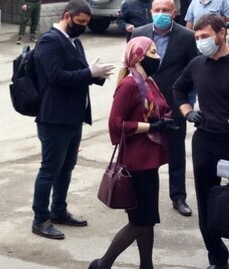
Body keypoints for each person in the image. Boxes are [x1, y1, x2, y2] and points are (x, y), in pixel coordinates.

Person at [89, 36, 177, 269]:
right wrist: (151, 127)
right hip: (136, 162)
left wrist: (165, 120)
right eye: (153, 53)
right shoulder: (129, 85)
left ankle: (146, 265)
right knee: (141, 221)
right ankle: (101, 264)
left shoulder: (149, 82)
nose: (157, 57)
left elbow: (158, 107)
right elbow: (116, 124)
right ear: (138, 57)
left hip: (150, 159)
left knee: (145, 220)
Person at [31, 0, 115, 240]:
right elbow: (56, 76)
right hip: (54, 118)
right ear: (67, 16)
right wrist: (90, 73)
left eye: (86, 23)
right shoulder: (49, 40)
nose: (83, 27)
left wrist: (97, 75)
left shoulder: (74, 41)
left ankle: (58, 210)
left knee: (66, 167)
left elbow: (77, 74)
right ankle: (40, 218)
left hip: (73, 117)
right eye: (80, 22)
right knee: (49, 170)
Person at [131, 0, 198, 217]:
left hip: (173, 104)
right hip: (144, 105)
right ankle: (139, 196)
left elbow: (193, 72)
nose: (161, 14)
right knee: (143, 150)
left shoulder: (187, 37)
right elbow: (131, 66)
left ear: (175, 13)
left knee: (176, 151)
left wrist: (187, 104)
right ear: (150, 12)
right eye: (157, 10)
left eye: (165, 11)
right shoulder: (139, 34)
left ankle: (178, 196)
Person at [173, 14, 229, 269]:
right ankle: (217, 257)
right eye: (197, 37)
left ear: (221, 33)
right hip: (205, 142)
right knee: (206, 201)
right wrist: (188, 111)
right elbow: (178, 88)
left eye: (205, 36)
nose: (200, 42)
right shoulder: (197, 64)